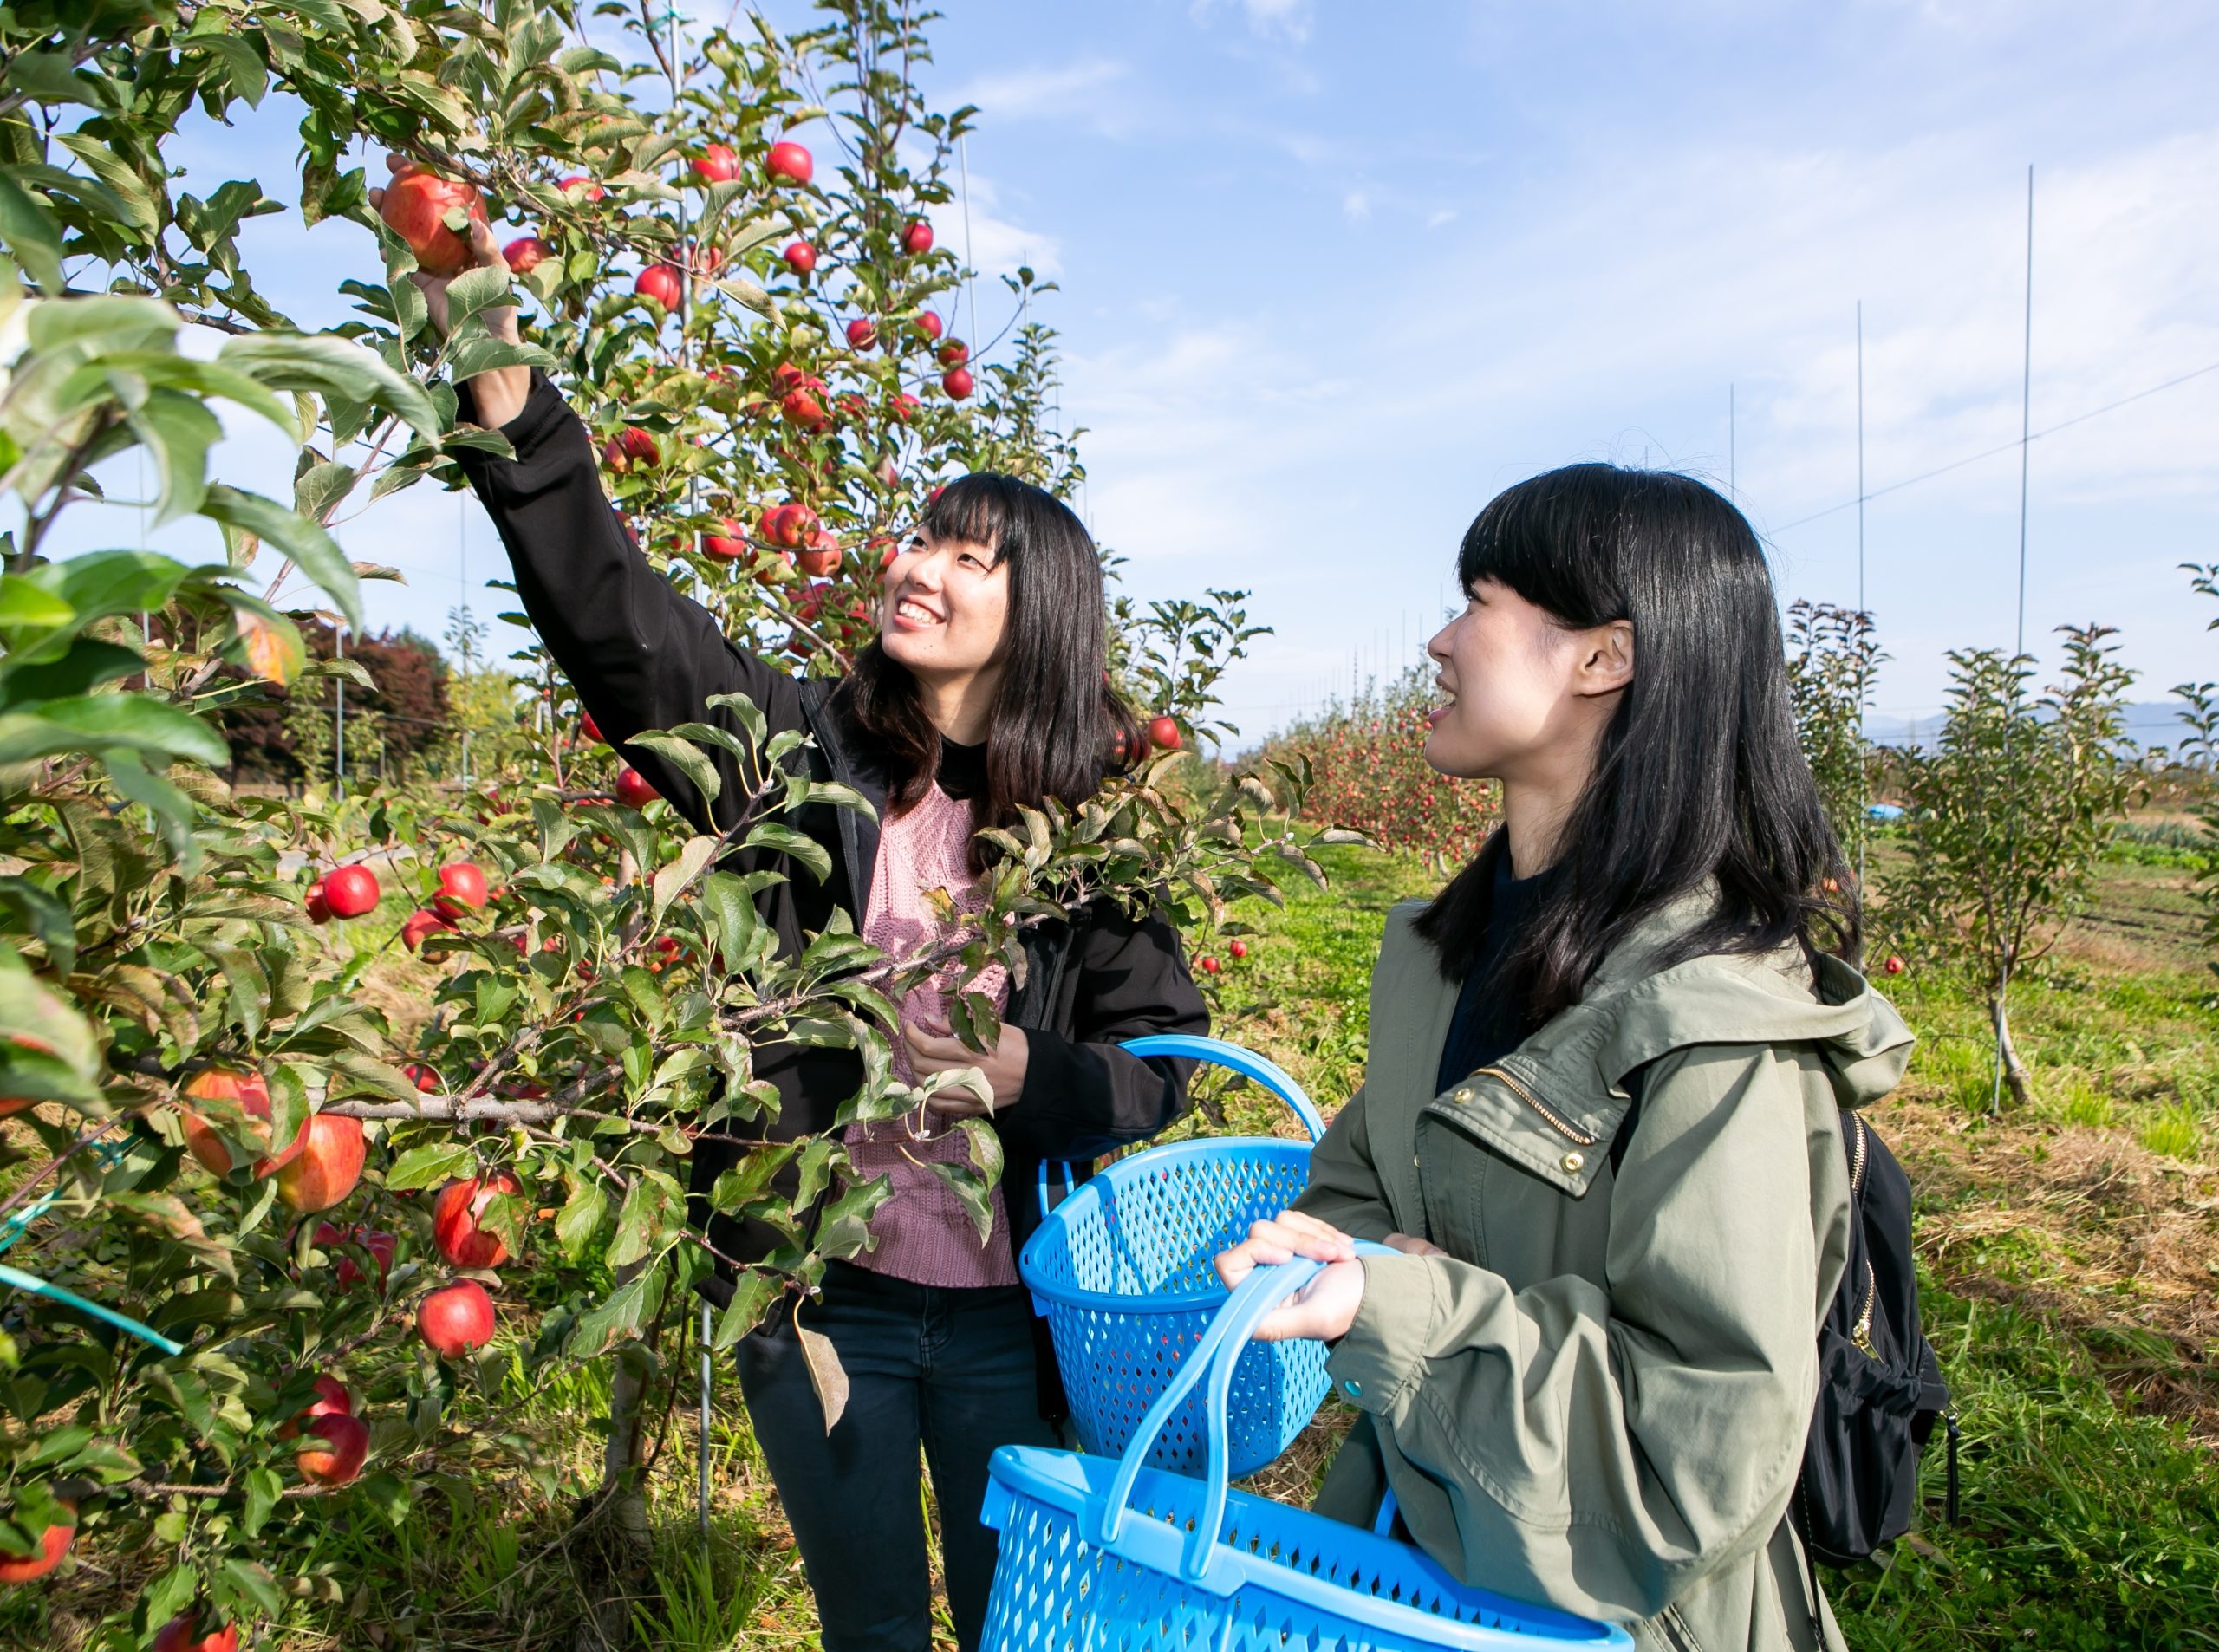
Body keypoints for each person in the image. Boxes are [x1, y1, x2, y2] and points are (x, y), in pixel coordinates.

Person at [369, 159, 1209, 1652]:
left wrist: (1037, 1078)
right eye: (918, 538)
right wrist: (491, 349)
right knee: (874, 1633)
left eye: (968, 554)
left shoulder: (1089, 833)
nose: (916, 566)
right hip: (825, 1304)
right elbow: (615, 619)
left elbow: (1162, 1077)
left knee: (1041, 1632)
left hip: (1028, 1325)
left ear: (1047, 613)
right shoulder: (795, 746)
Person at [1214, 465, 1911, 1652]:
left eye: (1477, 600)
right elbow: (1371, 1182)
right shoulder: (1446, 955)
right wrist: (1372, 1265)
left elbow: (1699, 1455)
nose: (1438, 639)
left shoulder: (1711, 1024)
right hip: (1425, 1558)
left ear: (1602, 658)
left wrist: (1402, 1302)